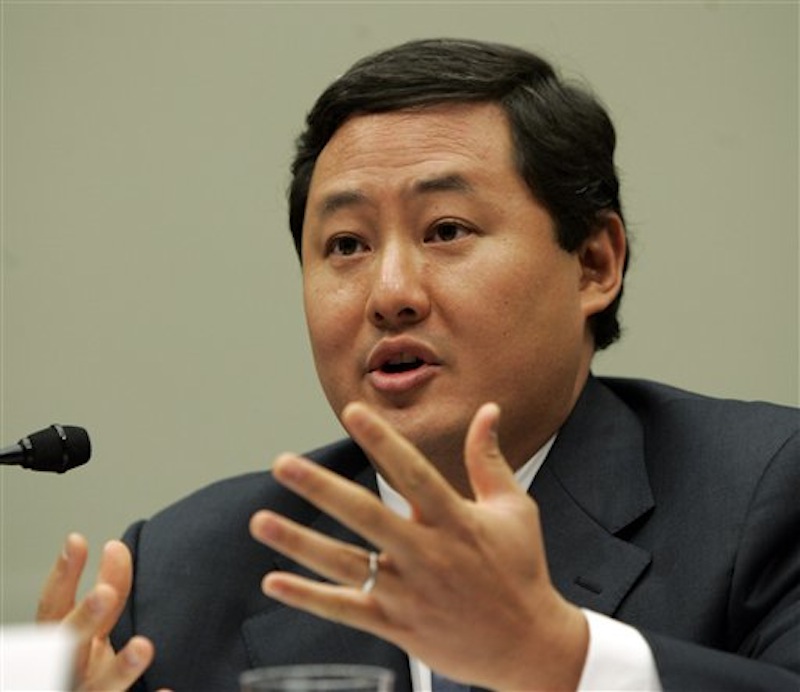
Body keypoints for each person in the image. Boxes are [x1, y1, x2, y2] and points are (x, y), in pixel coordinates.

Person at [36, 38, 799, 691]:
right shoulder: (178, 575)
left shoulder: (766, 498)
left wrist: (564, 664)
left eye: (446, 229)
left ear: (595, 263)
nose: (390, 294)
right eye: (346, 246)